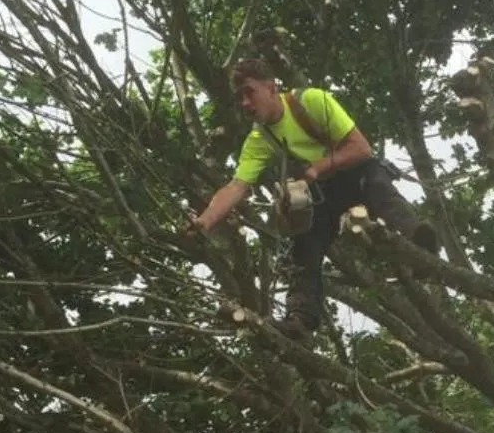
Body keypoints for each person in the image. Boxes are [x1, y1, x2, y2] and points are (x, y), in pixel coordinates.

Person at [187, 59, 438, 340]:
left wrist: (317, 167)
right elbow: (236, 187)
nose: (245, 103)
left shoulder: (311, 101)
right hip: (323, 194)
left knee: (379, 187)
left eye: (250, 92)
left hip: (355, 172)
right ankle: (300, 319)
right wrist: (204, 221)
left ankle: (419, 243)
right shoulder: (259, 139)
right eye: (239, 97)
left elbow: (361, 149)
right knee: (304, 245)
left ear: (271, 88)